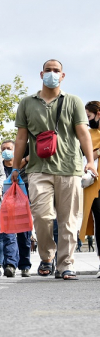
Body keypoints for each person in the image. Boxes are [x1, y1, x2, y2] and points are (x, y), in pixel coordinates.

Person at [12, 59, 97, 280]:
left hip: (69, 168)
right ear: (41, 74)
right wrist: (15, 166)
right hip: (38, 169)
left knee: (68, 220)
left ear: (63, 75)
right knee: (42, 216)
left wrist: (89, 160)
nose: (52, 74)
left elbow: (83, 132)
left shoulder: (73, 101)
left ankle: (65, 264)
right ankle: (47, 256)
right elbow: (21, 138)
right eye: (48, 70)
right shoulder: (27, 103)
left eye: (56, 70)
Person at [0, 139, 32, 277]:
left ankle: (24, 266)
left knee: (24, 235)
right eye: (3, 149)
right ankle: (10, 265)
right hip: (5, 207)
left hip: (23, 205)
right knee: (8, 235)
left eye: (9, 148)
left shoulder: (23, 168)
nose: (6, 151)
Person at [78, 100, 100, 277]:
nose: (88, 119)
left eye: (89, 116)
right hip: (95, 187)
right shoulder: (88, 134)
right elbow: (86, 155)